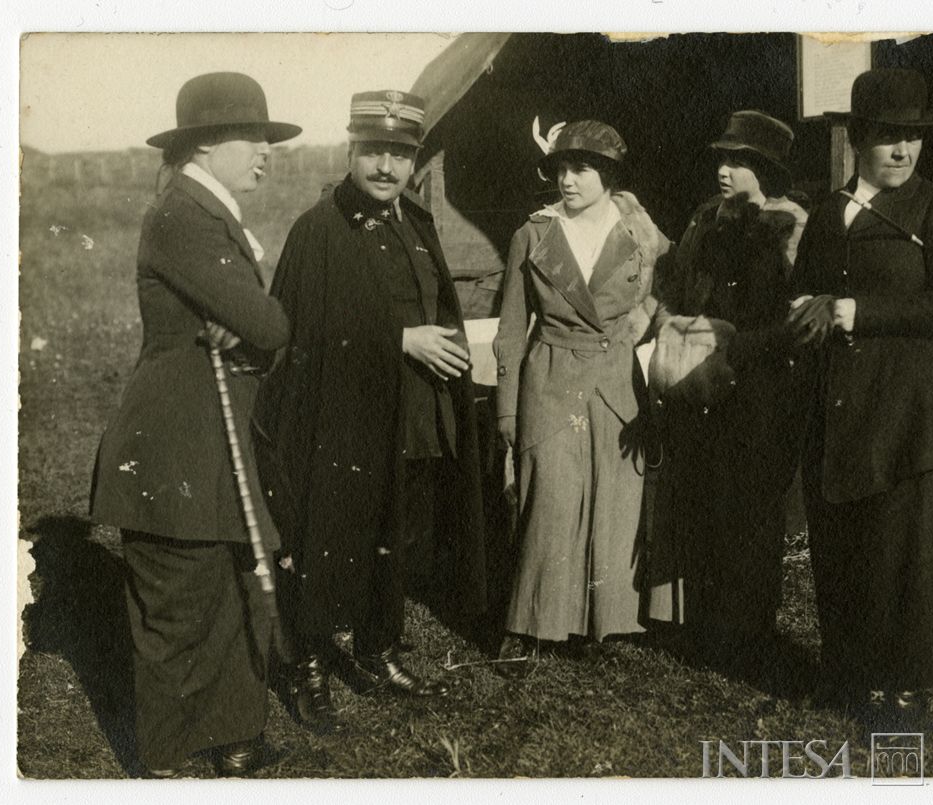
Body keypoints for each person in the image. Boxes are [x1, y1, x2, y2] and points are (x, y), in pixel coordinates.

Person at [254, 90, 487, 733]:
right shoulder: (318, 229)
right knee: (330, 539)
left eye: (401, 154)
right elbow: (296, 336)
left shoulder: (416, 221)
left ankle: (378, 650)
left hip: (411, 415)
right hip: (342, 422)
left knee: (396, 537)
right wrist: (399, 340)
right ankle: (307, 670)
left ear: (415, 160)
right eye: (374, 151)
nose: (387, 167)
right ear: (350, 150)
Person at [89, 72, 299, 777]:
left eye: (268, 138)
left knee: (227, 582)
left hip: (213, 434)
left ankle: (235, 734)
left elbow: (254, 327)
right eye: (253, 138)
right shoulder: (181, 215)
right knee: (179, 598)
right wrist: (247, 329)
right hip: (174, 438)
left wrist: (243, 327)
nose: (267, 151)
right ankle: (170, 757)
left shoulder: (212, 213)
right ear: (207, 144)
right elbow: (269, 325)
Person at [789, 68, 933, 727]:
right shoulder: (827, 211)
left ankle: (901, 690)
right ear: (861, 139)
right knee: (844, 540)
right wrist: (805, 307)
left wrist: (856, 311)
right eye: (890, 139)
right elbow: (806, 288)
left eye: (914, 140)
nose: (904, 152)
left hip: (907, 410)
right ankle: (847, 670)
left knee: (903, 553)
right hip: (839, 406)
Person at [493, 120, 669, 660]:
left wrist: (650, 319)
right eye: (561, 169)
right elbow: (509, 328)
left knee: (617, 502)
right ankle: (530, 626)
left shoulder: (641, 232)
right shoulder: (535, 233)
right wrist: (506, 411)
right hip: (550, 380)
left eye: (581, 169)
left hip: (617, 382)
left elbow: (673, 291)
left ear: (609, 175)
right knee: (549, 498)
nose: (567, 181)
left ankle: (606, 624)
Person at [645, 110, 809, 656]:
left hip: (760, 383)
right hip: (700, 380)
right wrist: (672, 325)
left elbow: (796, 313)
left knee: (751, 507)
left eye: (740, 161)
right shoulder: (703, 217)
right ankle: (706, 623)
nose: (725, 169)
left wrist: (744, 345)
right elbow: (672, 281)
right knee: (704, 497)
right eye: (723, 157)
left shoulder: (790, 224)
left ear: (767, 170)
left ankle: (750, 628)